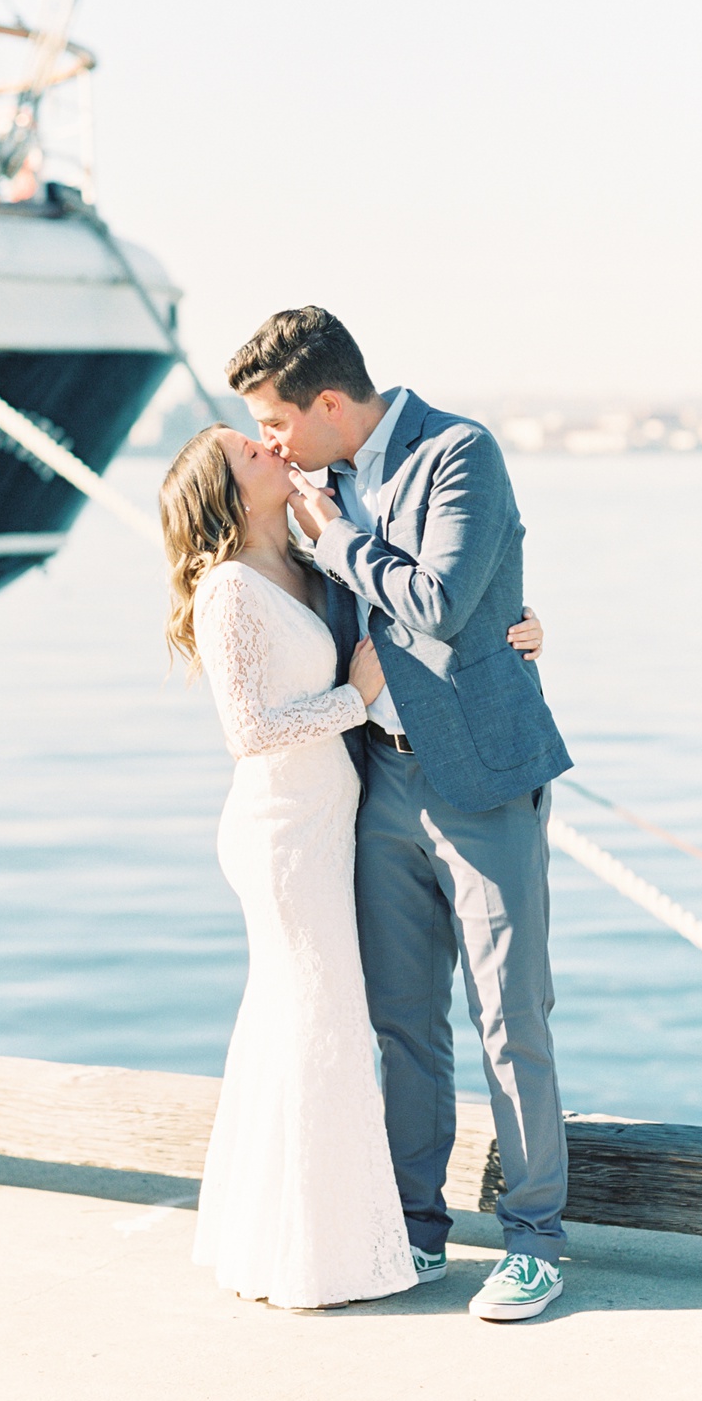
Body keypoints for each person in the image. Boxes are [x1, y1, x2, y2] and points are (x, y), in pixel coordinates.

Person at [227, 306, 573, 1322]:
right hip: (376, 784)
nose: (274, 445)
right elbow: (319, 624)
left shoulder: (459, 451)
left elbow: (436, 605)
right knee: (402, 1022)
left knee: (513, 1018)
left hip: (483, 779)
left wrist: (336, 539)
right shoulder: (318, 485)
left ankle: (536, 1241)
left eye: (277, 422)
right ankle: (415, 1228)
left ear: (329, 402)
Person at [158, 420, 545, 1312]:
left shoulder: (309, 561)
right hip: (285, 830)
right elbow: (249, 733)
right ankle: (309, 1249)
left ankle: (341, 1228)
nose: (271, 450)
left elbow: (413, 609)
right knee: (315, 1019)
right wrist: (354, 698)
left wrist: (510, 632)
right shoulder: (226, 590)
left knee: (333, 1019)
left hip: (344, 813)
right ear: (224, 490)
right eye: (249, 452)